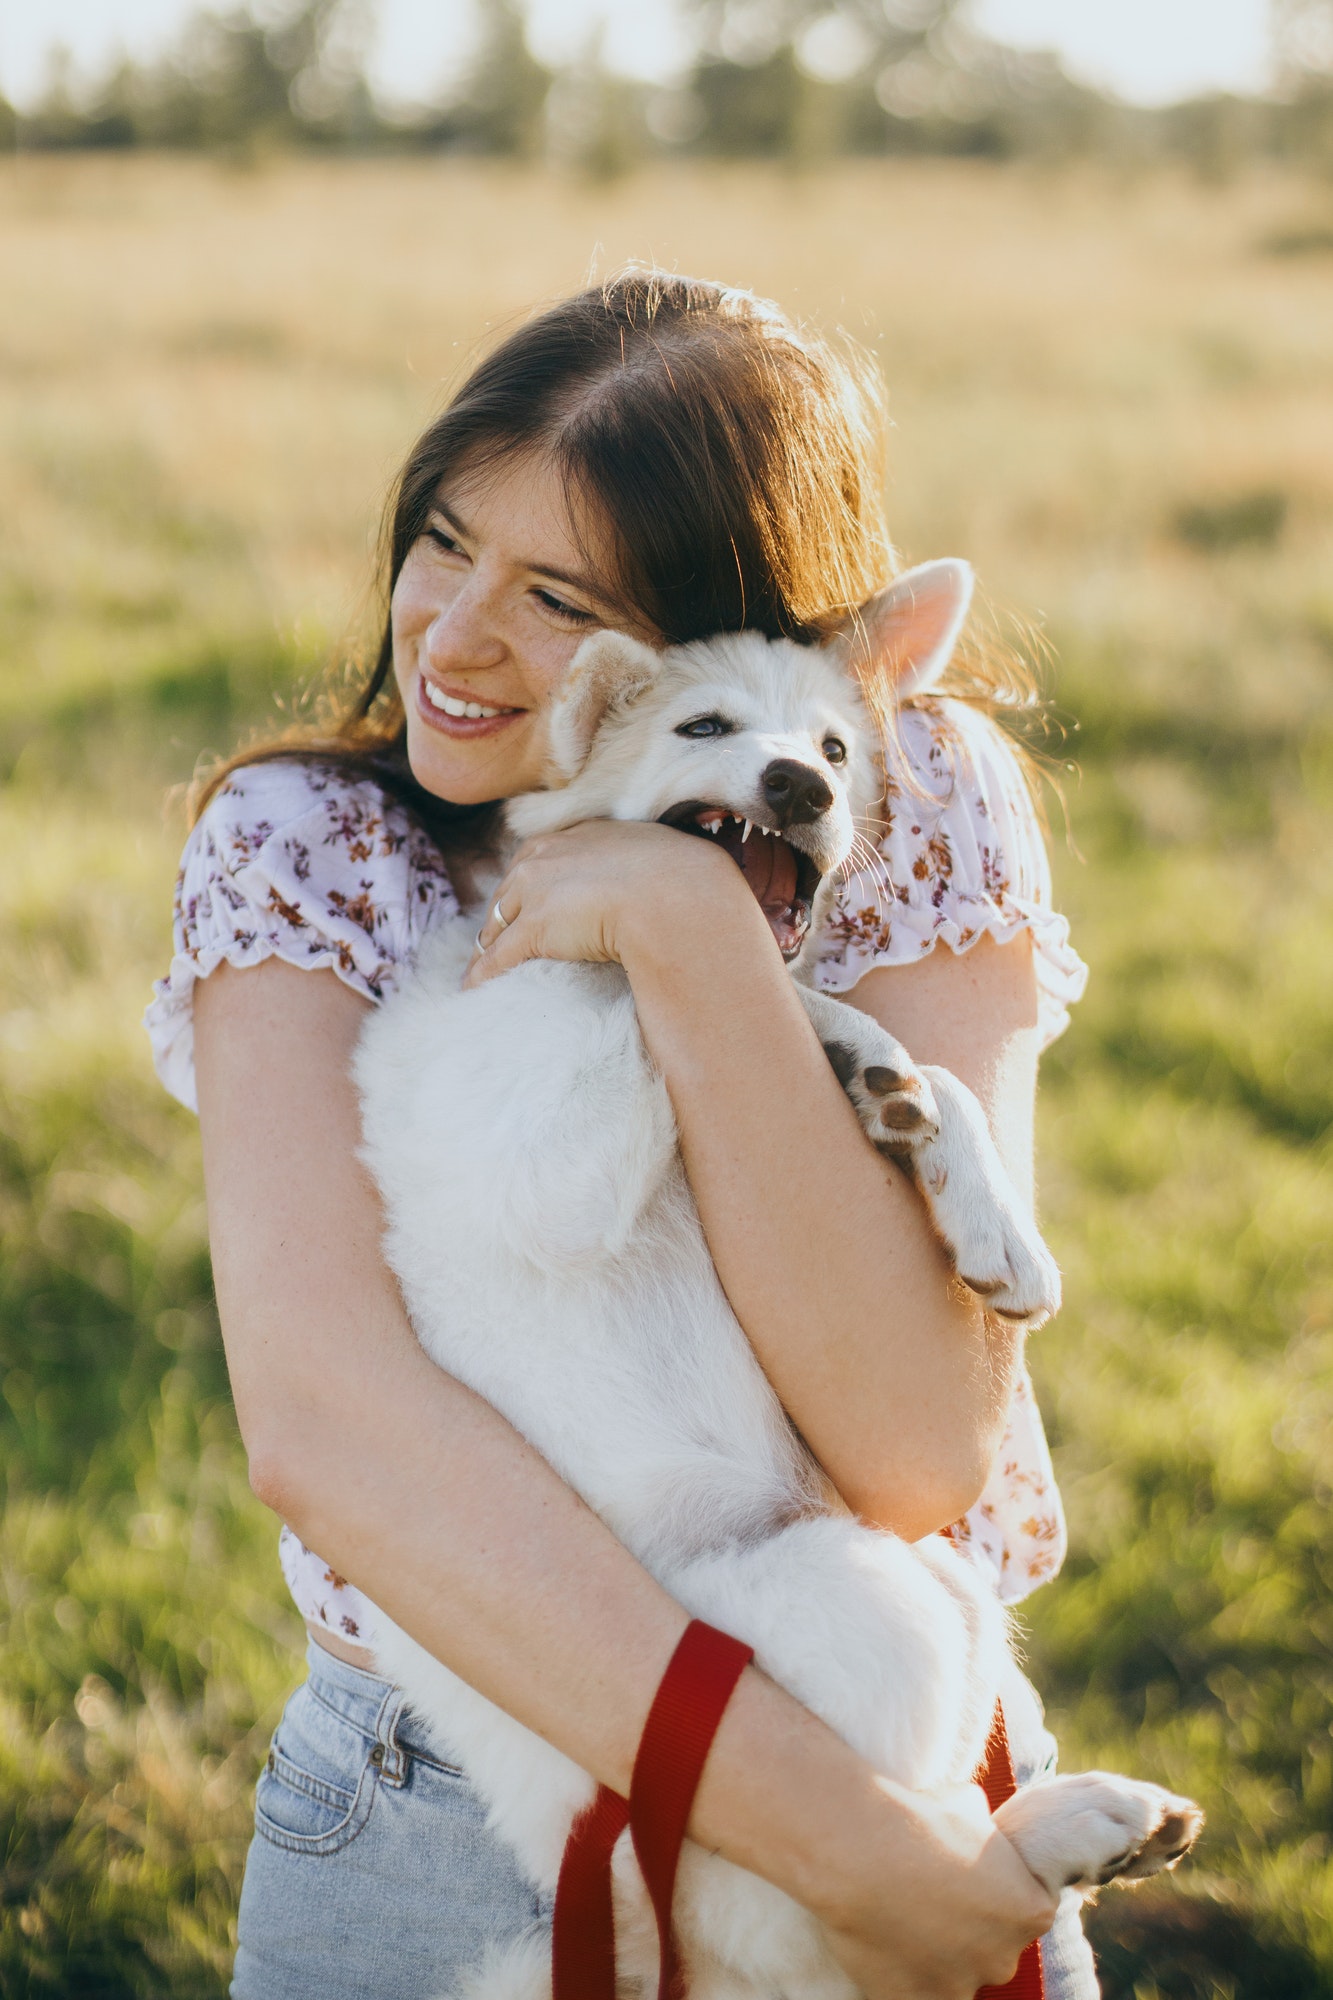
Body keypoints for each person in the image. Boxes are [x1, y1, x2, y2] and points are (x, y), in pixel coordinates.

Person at [145, 271, 1093, 2000]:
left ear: (725, 648)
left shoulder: (909, 796)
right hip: (471, 1816)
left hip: (883, 1698)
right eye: (443, 541)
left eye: (557, 596)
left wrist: (679, 921)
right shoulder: (313, 847)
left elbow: (908, 1447)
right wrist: (854, 1857)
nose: (447, 640)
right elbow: (337, 1434)